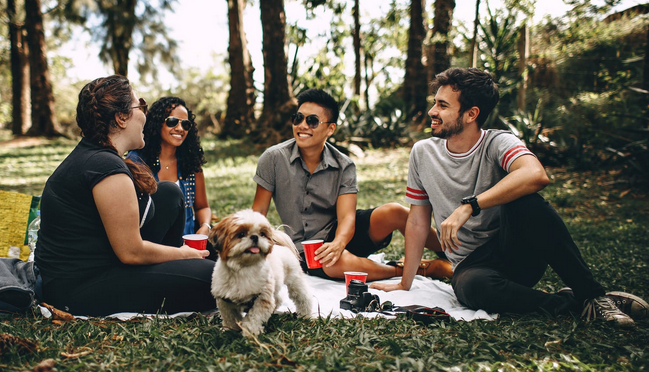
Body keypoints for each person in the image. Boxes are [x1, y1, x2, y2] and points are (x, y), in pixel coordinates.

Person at [371, 67, 647, 327]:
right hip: (472, 267)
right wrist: (405, 283)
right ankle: (575, 303)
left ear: (471, 114)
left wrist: (470, 205)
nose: (432, 111)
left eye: (443, 106)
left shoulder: (498, 142)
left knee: (527, 201)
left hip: (516, 251)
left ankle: (592, 294)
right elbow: (418, 221)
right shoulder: (423, 153)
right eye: (435, 102)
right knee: (471, 289)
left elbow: (536, 175)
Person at [35, 75, 215, 316]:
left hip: (105, 261)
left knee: (169, 193)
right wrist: (184, 253)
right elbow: (131, 252)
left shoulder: (98, 156)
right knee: (215, 279)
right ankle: (184, 268)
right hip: (78, 287)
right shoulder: (104, 167)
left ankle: (180, 268)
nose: (145, 114)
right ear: (121, 118)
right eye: (140, 105)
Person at [252, 88, 453, 281]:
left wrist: (338, 244)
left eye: (312, 121)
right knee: (334, 264)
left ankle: (453, 256)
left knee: (395, 211)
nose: (302, 125)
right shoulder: (273, 159)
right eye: (298, 118)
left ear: (330, 128)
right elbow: (258, 213)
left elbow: (347, 216)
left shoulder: (344, 165)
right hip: (305, 249)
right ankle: (418, 269)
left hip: (341, 233)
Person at [127, 97, 212, 236]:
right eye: (172, 122)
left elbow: (202, 207)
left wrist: (205, 226)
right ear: (157, 123)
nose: (179, 128)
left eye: (185, 124)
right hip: (152, 246)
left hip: (188, 245)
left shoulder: (190, 162)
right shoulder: (136, 162)